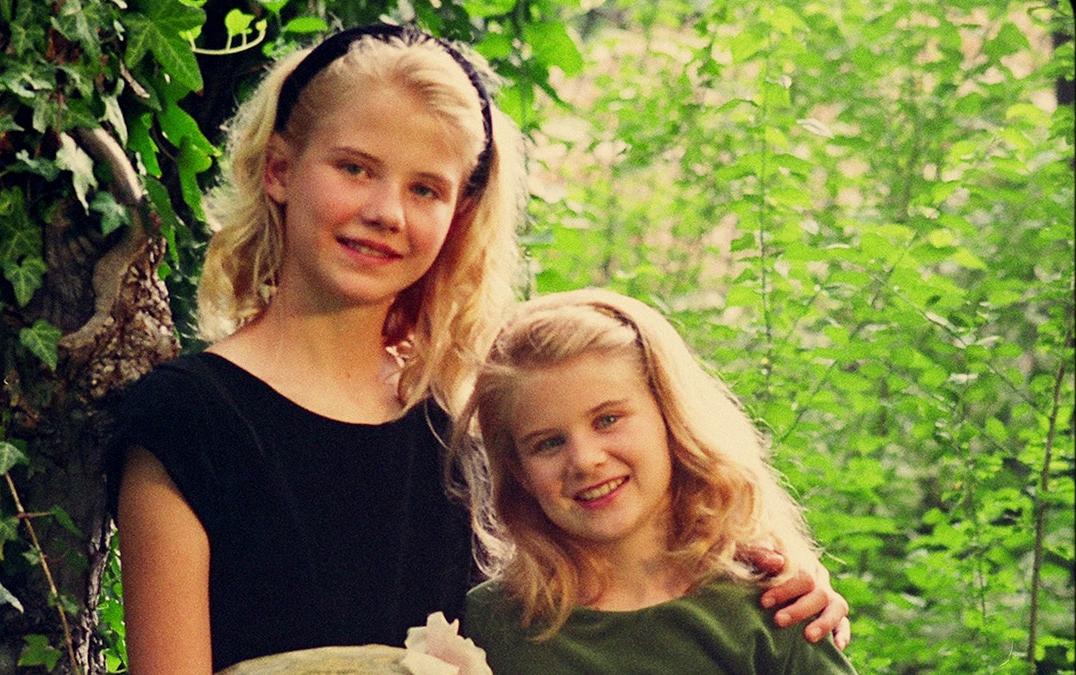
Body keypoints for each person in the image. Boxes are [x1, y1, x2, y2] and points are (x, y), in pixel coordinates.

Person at [107, 24, 848, 675]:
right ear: (278, 170)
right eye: (355, 167)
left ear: (460, 212)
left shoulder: (468, 420)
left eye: (426, 188)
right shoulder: (187, 419)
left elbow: (626, 567)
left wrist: (778, 581)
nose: (384, 212)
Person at [451, 288, 857, 673]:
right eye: (548, 444)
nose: (585, 460)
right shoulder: (488, 627)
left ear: (671, 419)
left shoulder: (776, 610)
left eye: (607, 420)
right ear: (519, 472)